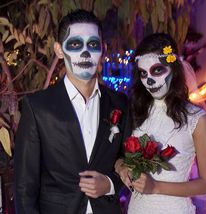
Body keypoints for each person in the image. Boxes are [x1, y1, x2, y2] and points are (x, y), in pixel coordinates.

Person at [14, 9, 131, 214]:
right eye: (75, 44)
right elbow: (25, 186)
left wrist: (110, 184)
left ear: (102, 49)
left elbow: (128, 160)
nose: (85, 53)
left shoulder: (119, 103)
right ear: (59, 50)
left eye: (93, 45)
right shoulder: (37, 107)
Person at [115, 33, 206, 214]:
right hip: (137, 209)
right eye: (143, 73)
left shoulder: (197, 118)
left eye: (157, 70)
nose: (150, 80)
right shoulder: (136, 112)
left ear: (174, 68)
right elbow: (119, 155)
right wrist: (122, 166)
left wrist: (156, 187)